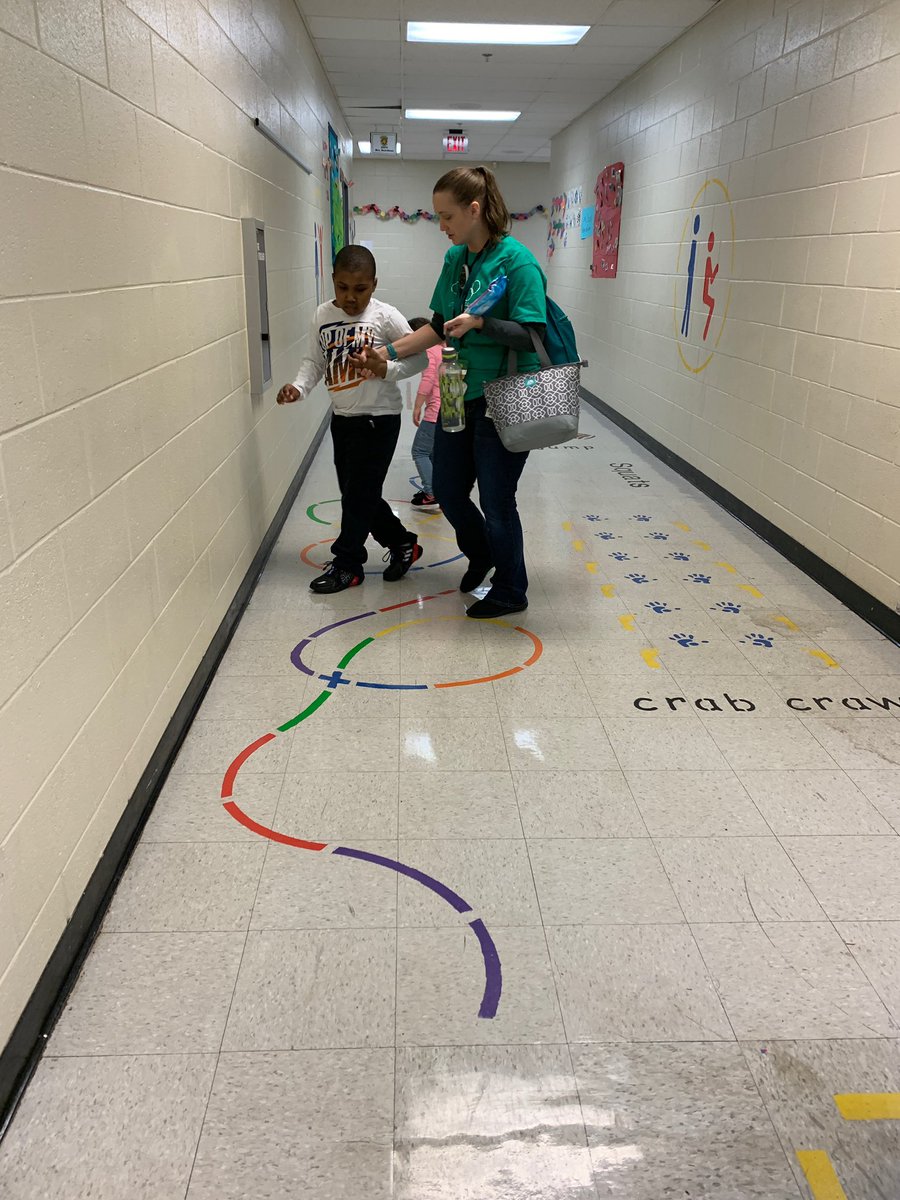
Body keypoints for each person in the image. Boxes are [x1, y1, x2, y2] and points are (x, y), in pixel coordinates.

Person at [350, 166, 547, 619]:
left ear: (474, 210)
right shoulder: (455, 261)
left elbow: (531, 333)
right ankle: (482, 552)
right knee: (449, 490)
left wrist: (481, 323)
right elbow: (437, 327)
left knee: (497, 499)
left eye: (447, 216)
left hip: (505, 398)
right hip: (459, 393)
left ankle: (512, 588)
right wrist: (386, 354)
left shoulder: (517, 262)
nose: (441, 226)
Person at [277, 244, 427, 593]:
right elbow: (314, 362)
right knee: (359, 493)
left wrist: (386, 368)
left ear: (373, 284)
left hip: (379, 418)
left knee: (357, 495)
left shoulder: (385, 316)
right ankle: (403, 543)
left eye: (360, 289)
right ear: (333, 281)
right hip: (342, 418)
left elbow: (419, 359)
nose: (350, 297)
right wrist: (299, 388)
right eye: (342, 287)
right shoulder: (322, 315)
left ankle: (348, 564)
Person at [407, 316, 442, 508]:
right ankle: (439, 488)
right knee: (433, 453)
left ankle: (431, 492)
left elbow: (428, 380)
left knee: (419, 451)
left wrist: (418, 404)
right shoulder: (444, 348)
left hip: (435, 412)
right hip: (448, 411)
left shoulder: (429, 351)